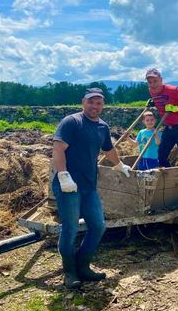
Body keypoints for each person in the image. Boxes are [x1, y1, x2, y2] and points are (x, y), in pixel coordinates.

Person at [52, 87, 132, 289]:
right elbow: (58, 148)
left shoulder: (102, 127)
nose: (94, 106)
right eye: (91, 102)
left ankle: (83, 265)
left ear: (102, 105)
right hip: (68, 185)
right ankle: (69, 272)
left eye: (98, 103)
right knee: (70, 228)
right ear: (83, 102)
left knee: (97, 226)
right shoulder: (72, 122)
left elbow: (108, 149)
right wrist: (63, 175)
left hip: (89, 185)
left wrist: (120, 165)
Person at [145, 68, 178, 167]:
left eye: (155, 81)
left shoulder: (173, 90)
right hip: (168, 127)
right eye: (150, 82)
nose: (153, 84)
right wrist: (153, 101)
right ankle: (169, 176)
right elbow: (160, 101)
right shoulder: (152, 91)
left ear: (161, 79)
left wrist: (176, 108)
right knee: (161, 155)